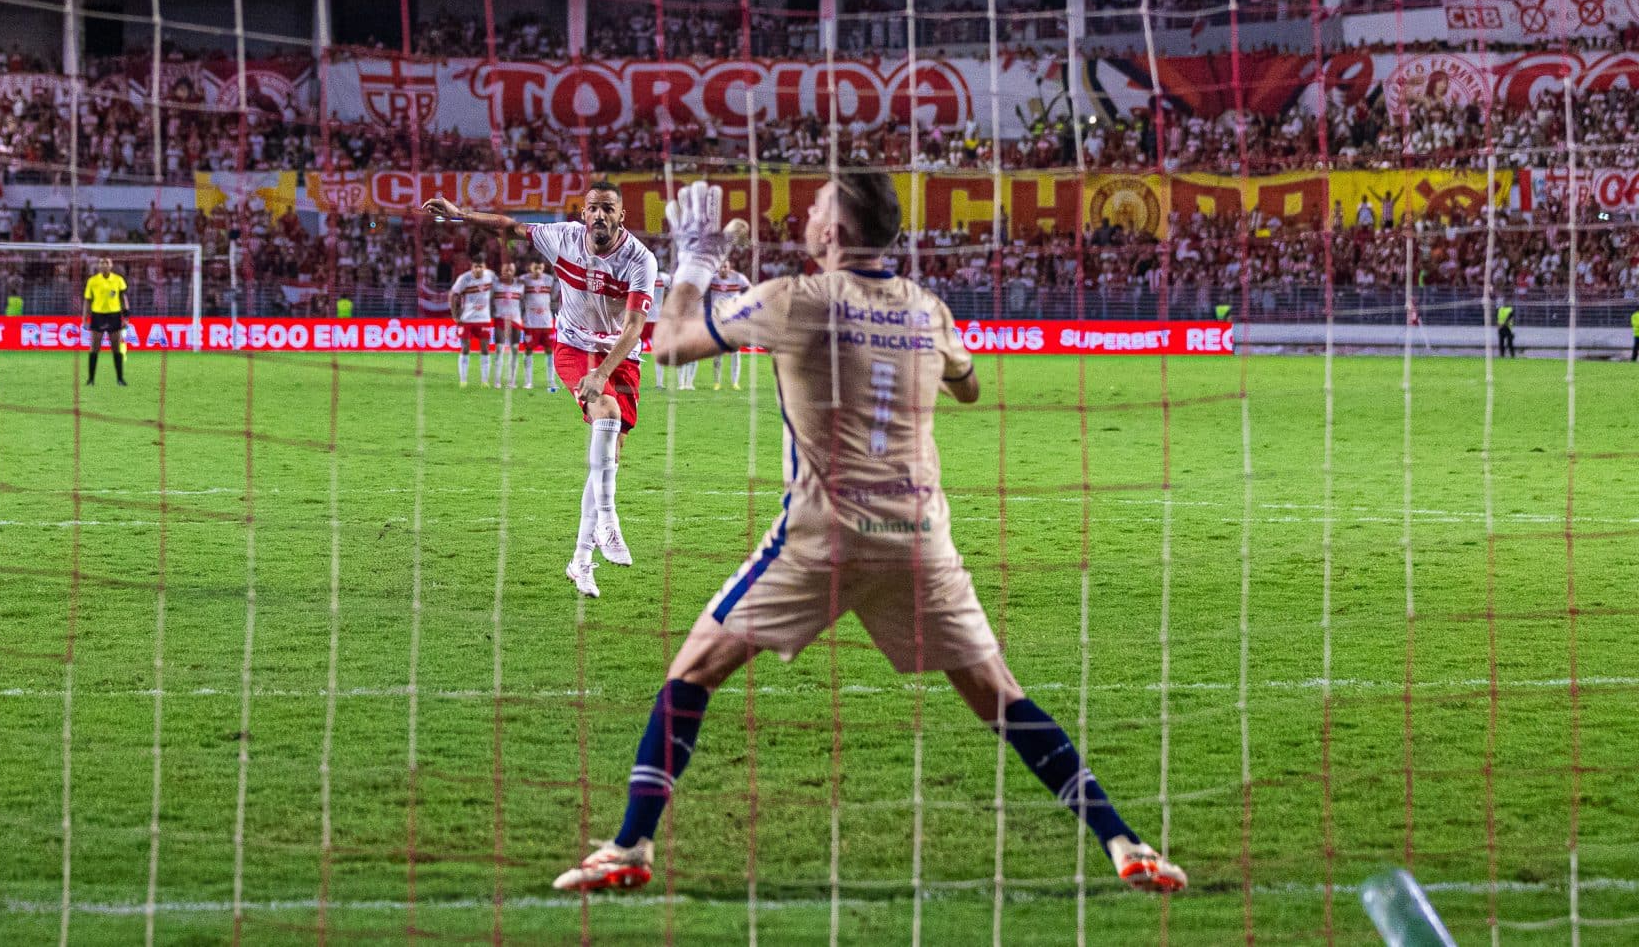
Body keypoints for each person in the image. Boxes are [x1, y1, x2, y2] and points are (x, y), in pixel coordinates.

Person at [551, 174, 1187, 897]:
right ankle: (1124, 840)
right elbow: (969, 387)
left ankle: (631, 845)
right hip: (920, 535)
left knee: (690, 674)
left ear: (836, 233)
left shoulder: (794, 298)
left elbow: (666, 346)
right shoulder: (928, 307)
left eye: (819, 205)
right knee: (1002, 699)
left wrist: (693, 262)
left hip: (822, 535)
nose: (808, 213)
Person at [426, 182, 656, 597]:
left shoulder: (640, 260)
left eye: (608, 209)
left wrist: (604, 370)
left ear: (621, 215)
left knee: (611, 454)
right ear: (583, 213)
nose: (599, 215)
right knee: (606, 411)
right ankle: (608, 520)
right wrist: (461, 214)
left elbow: (635, 328)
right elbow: (510, 226)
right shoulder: (563, 238)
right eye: (592, 208)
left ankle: (581, 561)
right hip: (572, 346)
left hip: (620, 354)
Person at [448, 257, 497, 387]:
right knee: (465, 348)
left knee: (485, 349)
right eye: (476, 267)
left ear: (484, 267)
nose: (478, 269)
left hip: (484, 319)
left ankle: (485, 381)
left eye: (481, 267)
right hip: (467, 319)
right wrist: (454, 315)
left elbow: (497, 290)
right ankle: (463, 380)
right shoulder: (464, 279)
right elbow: (453, 295)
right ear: (472, 268)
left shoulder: (490, 276)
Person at [82, 254, 130, 387]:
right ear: (98, 265)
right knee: (95, 347)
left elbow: (123, 298)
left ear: (111, 265)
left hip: (114, 315)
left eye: (107, 263)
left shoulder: (118, 280)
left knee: (116, 347)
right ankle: (91, 379)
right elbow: (87, 300)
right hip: (98, 315)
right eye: (102, 263)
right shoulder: (92, 281)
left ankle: (120, 379)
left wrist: (126, 317)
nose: (104, 265)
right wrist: (84, 318)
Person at [707, 261, 751, 390]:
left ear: (729, 268)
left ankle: (735, 382)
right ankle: (717, 382)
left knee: (736, 352)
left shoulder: (739, 278)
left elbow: (751, 289)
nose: (723, 269)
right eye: (720, 267)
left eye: (725, 266)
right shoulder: (712, 279)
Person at [519, 259, 558, 392]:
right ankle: (528, 381)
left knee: (550, 352)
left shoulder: (548, 279)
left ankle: (551, 381)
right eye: (535, 269)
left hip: (546, 322)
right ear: (530, 267)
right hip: (530, 322)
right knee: (528, 351)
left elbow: (553, 296)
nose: (538, 272)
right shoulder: (523, 280)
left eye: (540, 269)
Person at [493, 261, 524, 389]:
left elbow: (524, 302)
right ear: (502, 271)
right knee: (499, 350)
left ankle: (512, 380)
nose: (508, 272)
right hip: (500, 319)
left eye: (511, 270)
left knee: (514, 351)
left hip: (515, 321)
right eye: (506, 270)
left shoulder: (520, 287)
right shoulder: (495, 286)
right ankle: (497, 381)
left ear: (514, 272)